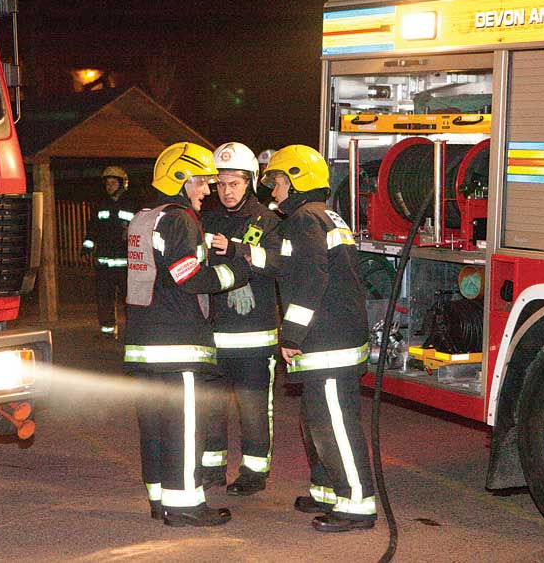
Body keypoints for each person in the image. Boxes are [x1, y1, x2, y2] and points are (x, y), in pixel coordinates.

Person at [246, 144, 376, 533]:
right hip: (336, 336)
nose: (273, 192)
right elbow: (288, 265)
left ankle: (356, 504)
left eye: (278, 182)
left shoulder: (305, 219)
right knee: (316, 418)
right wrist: (241, 252)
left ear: (298, 180)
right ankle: (326, 490)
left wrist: (291, 334)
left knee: (334, 422)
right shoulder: (321, 217)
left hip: (327, 341)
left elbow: (309, 279)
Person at [125, 142, 251, 527]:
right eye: (202, 183)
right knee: (183, 428)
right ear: (182, 180)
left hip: (144, 344)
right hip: (177, 344)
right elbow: (187, 277)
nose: (208, 191)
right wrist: (235, 274)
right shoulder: (180, 219)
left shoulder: (143, 218)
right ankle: (185, 506)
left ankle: (160, 498)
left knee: (155, 427)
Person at [199, 142, 281, 497]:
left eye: (234, 183)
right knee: (212, 408)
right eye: (220, 184)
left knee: (253, 411)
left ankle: (254, 472)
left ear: (250, 182)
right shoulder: (207, 218)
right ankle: (212, 467)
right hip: (214, 336)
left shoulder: (270, 221)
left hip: (255, 338)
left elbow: (278, 264)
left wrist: (238, 257)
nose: (226, 191)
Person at [82, 165, 135, 336]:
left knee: (129, 299)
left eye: (113, 183)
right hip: (104, 262)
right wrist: (87, 247)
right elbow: (92, 229)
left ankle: (133, 332)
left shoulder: (132, 204)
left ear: (122, 184)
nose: (109, 186)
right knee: (104, 298)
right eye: (107, 183)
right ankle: (107, 330)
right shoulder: (101, 205)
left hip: (126, 263)